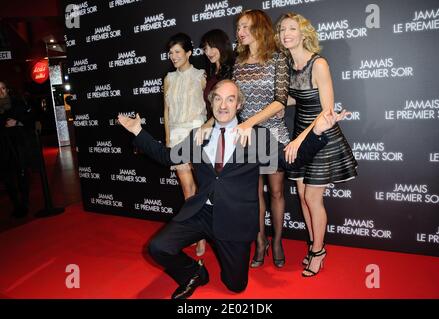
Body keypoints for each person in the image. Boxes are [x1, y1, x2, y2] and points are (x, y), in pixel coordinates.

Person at [118, 79, 348, 299]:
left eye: (230, 99)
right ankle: (195, 273)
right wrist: (138, 131)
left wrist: (317, 132)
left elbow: (291, 162)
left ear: (239, 105)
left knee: (235, 286)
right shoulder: (199, 136)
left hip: (234, 219)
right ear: (211, 102)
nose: (223, 105)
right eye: (217, 99)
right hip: (201, 212)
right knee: (158, 247)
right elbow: (167, 157)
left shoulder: (257, 137)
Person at [276, 13, 358, 277]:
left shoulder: (318, 64)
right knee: (301, 196)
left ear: (303, 33)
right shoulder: (287, 65)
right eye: (282, 29)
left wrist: (299, 139)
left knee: (312, 197)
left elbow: (327, 111)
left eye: (291, 28)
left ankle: (319, 252)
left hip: (322, 137)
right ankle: (313, 245)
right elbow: (291, 98)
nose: (285, 33)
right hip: (300, 133)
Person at [233, 9, 291, 268]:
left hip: (273, 134)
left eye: (245, 26)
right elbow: (238, 102)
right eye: (238, 27)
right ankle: (260, 242)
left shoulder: (278, 59)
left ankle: (277, 241)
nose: (240, 32)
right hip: (246, 138)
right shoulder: (238, 63)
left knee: (276, 193)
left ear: (259, 28)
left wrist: (249, 122)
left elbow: (280, 101)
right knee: (254, 195)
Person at [164, 33, 208, 256]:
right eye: (171, 53)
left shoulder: (201, 75)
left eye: (177, 52)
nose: (173, 56)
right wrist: (168, 139)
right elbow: (166, 111)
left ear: (189, 53)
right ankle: (197, 235)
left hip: (198, 133)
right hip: (177, 134)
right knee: (187, 189)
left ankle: (203, 232)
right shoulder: (168, 79)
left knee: (201, 189)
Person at [0, 80, 31, 218]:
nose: (1, 91)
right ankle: (16, 205)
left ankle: (24, 204)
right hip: (3, 148)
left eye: (3, 88)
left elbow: (29, 119)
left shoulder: (17, 103)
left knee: (22, 175)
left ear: (7, 89)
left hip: (18, 145)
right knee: (7, 179)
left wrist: (17, 122)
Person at [200, 29, 235, 119]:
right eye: (205, 49)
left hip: (230, 124)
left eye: (211, 47)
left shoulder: (234, 70)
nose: (208, 52)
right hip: (212, 127)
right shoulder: (208, 74)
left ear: (221, 45)